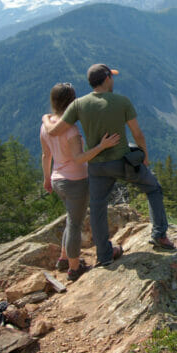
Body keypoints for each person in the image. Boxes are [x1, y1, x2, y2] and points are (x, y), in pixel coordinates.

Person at [43, 63, 175, 266]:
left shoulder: (78, 105)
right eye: (111, 77)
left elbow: (54, 131)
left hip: (96, 166)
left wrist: (45, 118)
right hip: (122, 162)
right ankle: (159, 234)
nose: (113, 80)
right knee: (153, 188)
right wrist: (145, 157)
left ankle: (104, 255)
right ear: (106, 79)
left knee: (97, 208)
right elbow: (138, 134)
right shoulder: (121, 102)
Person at [40, 82, 121, 281]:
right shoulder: (71, 131)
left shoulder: (46, 125)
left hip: (57, 179)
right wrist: (102, 146)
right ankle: (74, 268)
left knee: (71, 219)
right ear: (72, 103)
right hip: (76, 180)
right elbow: (78, 158)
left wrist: (46, 179)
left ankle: (64, 258)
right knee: (75, 224)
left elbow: (45, 155)